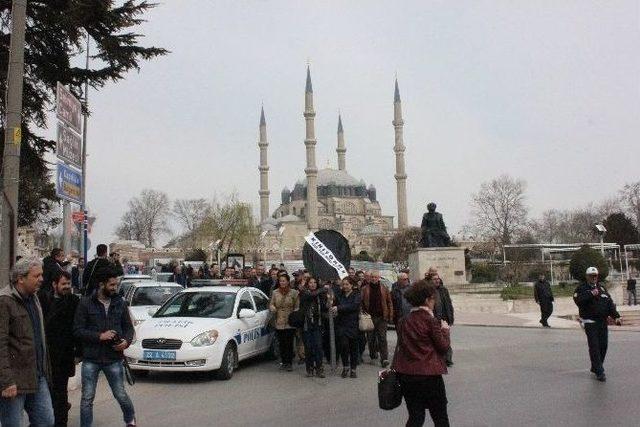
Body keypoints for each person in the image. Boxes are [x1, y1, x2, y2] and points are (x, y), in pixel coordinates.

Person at [74, 266, 136, 426]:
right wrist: (100, 336)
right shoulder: (85, 303)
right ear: (101, 284)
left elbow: (129, 328)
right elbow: (78, 330)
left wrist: (125, 343)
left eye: (116, 285)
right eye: (112, 285)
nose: (115, 288)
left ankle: (130, 420)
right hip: (91, 359)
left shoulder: (120, 303)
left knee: (120, 394)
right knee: (87, 398)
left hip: (114, 358)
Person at [0, 257, 54, 427]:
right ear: (20, 278)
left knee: (46, 421)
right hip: (14, 380)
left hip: (37, 376)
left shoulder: (34, 298)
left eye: (42, 275)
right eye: (36, 276)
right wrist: (6, 380)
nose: (41, 279)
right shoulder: (5, 301)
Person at [394, 279, 451, 427]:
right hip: (429, 375)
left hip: (407, 375)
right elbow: (443, 347)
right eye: (433, 299)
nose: (435, 302)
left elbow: (403, 345)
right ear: (427, 300)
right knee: (440, 418)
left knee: (415, 417)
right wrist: (445, 330)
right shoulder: (430, 321)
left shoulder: (403, 320)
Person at [42, 270, 80, 427]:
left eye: (68, 284)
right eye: (63, 284)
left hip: (64, 356)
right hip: (46, 355)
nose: (66, 287)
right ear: (54, 284)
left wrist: (78, 352)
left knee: (60, 393)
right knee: (47, 394)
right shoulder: (43, 300)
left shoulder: (73, 301)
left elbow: (77, 328)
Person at [573, 266, 622, 382]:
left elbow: (609, 303)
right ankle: (600, 371)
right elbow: (578, 301)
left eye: (595, 276)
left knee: (603, 346)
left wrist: (616, 316)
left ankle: (596, 366)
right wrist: (591, 294)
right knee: (594, 347)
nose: (593, 278)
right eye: (591, 276)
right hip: (590, 322)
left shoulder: (602, 288)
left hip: (602, 322)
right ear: (587, 276)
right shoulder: (581, 288)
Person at [361, 270, 393, 367]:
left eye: (376, 277)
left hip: (381, 317)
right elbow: (361, 302)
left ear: (379, 278)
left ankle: (384, 358)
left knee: (382, 338)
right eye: (372, 277)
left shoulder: (384, 288)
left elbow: (389, 302)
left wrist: (390, 315)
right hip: (369, 317)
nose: (374, 279)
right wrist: (363, 313)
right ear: (370, 278)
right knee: (370, 338)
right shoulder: (364, 289)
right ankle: (373, 353)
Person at [332, 277, 361, 378]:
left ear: (351, 285)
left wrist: (339, 308)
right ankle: (345, 366)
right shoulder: (340, 295)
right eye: (343, 284)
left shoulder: (356, 295)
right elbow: (333, 304)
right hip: (341, 324)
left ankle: (353, 369)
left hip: (353, 324)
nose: (345, 286)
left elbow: (354, 306)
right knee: (343, 346)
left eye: (347, 284)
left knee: (353, 347)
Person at [269, 273, 299, 372]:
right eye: (280, 281)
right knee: (281, 343)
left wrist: (295, 315)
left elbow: (297, 306)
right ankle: (284, 362)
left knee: (289, 343)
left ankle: (289, 362)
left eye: (284, 281)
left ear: (287, 281)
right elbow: (271, 304)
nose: (282, 282)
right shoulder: (275, 292)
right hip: (279, 320)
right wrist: (272, 308)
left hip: (290, 321)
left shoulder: (294, 293)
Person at [299, 277, 327, 378]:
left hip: (318, 324)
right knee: (308, 347)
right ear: (307, 284)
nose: (313, 284)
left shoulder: (321, 295)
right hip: (307, 324)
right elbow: (310, 295)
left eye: (315, 282)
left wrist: (329, 302)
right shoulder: (304, 293)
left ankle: (319, 368)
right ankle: (309, 368)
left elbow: (324, 308)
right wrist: (323, 289)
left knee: (318, 347)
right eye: (310, 282)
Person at [429, 269, 455, 367]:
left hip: (444, 318)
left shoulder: (444, 290)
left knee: (446, 338)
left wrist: (451, 317)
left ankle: (448, 359)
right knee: (436, 339)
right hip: (434, 318)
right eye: (435, 279)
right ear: (431, 280)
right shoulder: (429, 291)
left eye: (438, 279)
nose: (437, 280)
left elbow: (448, 304)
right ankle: (437, 358)